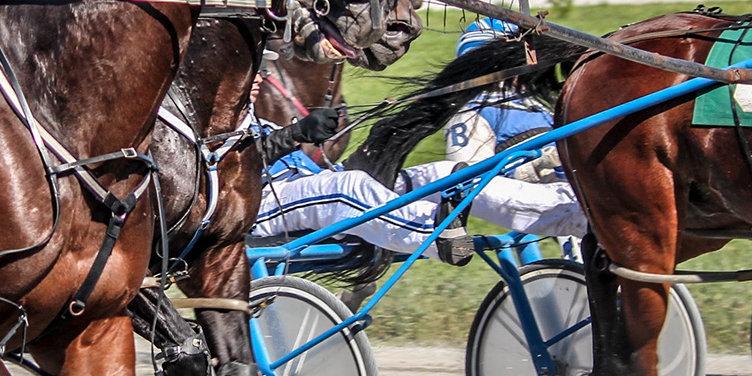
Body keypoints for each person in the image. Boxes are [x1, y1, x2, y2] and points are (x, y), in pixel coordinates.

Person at [251, 20, 587, 259]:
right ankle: (432, 232)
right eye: (255, 73)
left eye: (259, 72)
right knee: (347, 189)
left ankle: (577, 211)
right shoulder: (219, 116)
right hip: (259, 205)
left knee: (446, 176)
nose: (258, 79)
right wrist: (294, 134)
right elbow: (226, 164)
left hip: (305, 186)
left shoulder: (250, 112)